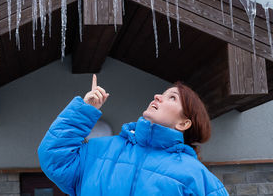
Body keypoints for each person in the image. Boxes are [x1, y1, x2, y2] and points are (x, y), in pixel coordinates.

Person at [38, 74, 228, 195]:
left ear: (184, 123)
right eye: (162, 93)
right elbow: (54, 157)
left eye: (172, 97)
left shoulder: (196, 176)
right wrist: (85, 111)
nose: (157, 96)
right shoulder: (99, 150)